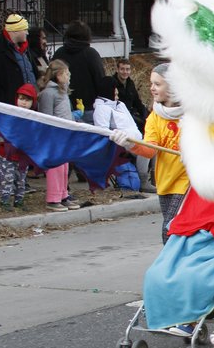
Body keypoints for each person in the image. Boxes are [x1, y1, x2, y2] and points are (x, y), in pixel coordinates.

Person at [110, 63, 189, 242]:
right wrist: (130, 144)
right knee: (174, 232)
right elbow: (149, 151)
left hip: (189, 183)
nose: (152, 88)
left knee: (170, 230)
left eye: (157, 84)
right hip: (165, 183)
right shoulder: (154, 117)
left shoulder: (194, 113)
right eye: (151, 83)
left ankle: (170, 267)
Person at [0, 14, 37, 191]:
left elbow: (31, 72)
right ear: (15, 30)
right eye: (24, 29)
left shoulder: (25, 50)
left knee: (21, 144)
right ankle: (3, 184)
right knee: (2, 144)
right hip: (6, 106)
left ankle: (20, 183)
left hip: (25, 106)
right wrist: (2, 99)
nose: (27, 32)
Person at [36, 59, 80, 211]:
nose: (69, 76)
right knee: (55, 168)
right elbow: (46, 116)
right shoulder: (48, 93)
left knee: (64, 167)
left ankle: (63, 194)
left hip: (65, 136)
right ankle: (53, 198)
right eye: (66, 73)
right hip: (54, 137)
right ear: (58, 75)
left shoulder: (62, 92)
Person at [53, 20, 105, 124]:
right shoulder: (91, 54)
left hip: (64, 107)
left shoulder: (59, 53)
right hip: (89, 107)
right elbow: (101, 80)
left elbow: (51, 79)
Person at [0, 84, 37, 210]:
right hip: (7, 154)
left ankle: (19, 200)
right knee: (7, 178)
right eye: (21, 99)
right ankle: (5, 200)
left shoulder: (33, 118)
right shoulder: (9, 114)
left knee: (21, 179)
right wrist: (2, 143)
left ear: (33, 102)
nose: (23, 103)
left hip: (23, 155)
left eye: (27, 100)